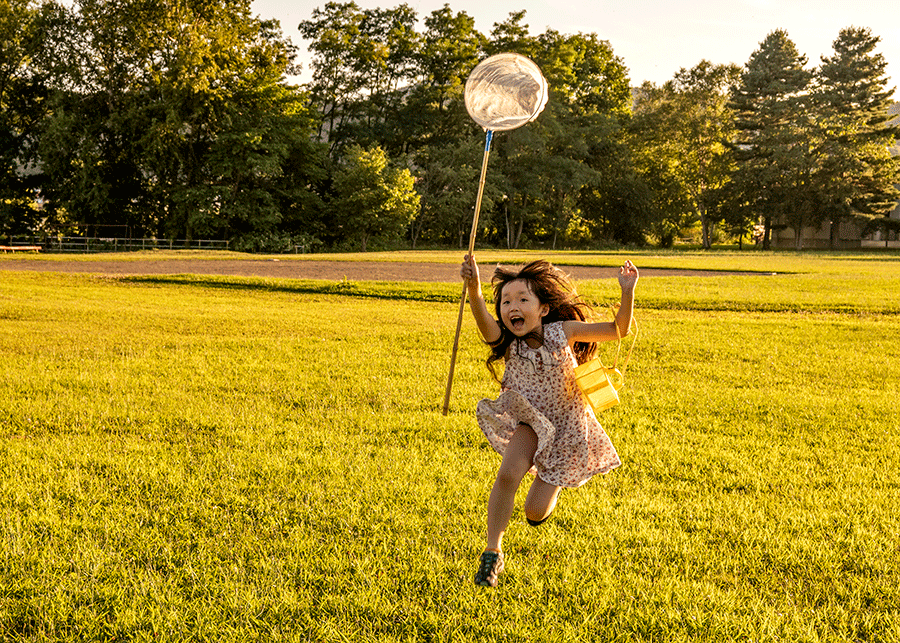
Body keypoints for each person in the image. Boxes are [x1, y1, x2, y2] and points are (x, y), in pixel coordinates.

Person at [460, 255, 639, 588]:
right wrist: (474, 289)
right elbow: (484, 322)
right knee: (509, 473)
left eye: (522, 299)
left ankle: (550, 480)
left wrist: (627, 291)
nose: (512, 306)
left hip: (568, 427)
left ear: (543, 308)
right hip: (529, 420)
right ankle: (492, 553)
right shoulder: (506, 339)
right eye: (506, 302)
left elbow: (617, 330)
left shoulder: (563, 331)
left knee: (534, 512)